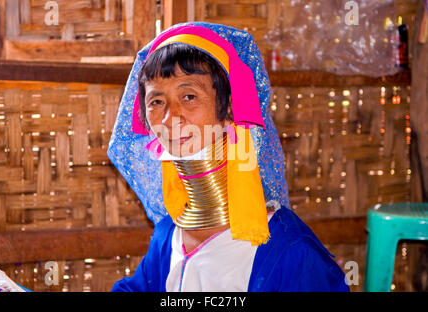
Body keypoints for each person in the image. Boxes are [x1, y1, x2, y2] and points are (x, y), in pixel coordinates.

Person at [107, 22, 349, 292]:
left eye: (189, 96)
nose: (169, 118)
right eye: (156, 101)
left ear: (231, 109)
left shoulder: (288, 250)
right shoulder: (167, 237)